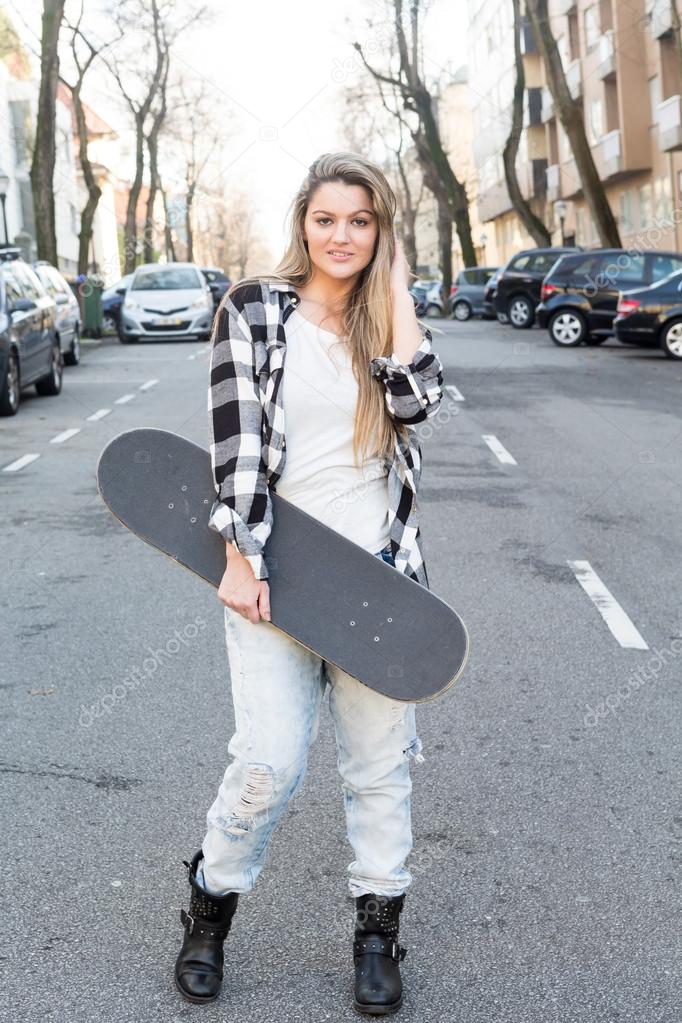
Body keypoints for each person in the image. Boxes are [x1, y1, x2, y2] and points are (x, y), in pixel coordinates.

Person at [173, 152, 444, 1014]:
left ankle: (376, 935)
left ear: (380, 232)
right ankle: (209, 911)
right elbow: (239, 443)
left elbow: (417, 401)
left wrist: (396, 289)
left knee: (379, 767)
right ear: (302, 223)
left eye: (361, 222)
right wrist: (240, 557)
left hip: (378, 581)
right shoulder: (253, 309)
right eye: (326, 219)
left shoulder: (384, 321)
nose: (342, 236)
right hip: (278, 576)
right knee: (268, 762)